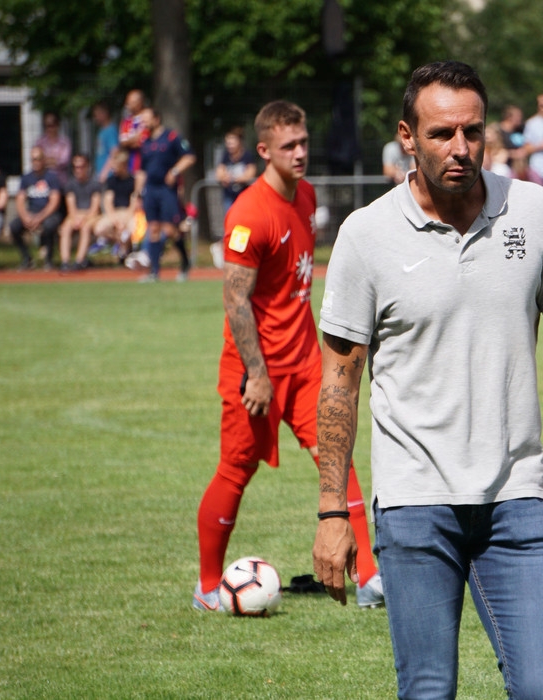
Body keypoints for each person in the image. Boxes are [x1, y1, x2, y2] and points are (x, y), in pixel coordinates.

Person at [311, 60, 543, 699]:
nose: (460, 149)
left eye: (472, 132)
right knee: (428, 691)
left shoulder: (533, 212)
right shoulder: (366, 236)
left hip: (517, 500)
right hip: (414, 502)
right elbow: (340, 381)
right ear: (407, 136)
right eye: (442, 133)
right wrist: (331, 510)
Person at [194, 100, 384, 613]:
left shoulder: (306, 196)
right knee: (235, 471)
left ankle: (369, 575)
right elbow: (235, 299)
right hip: (255, 371)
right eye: (288, 147)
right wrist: (256, 372)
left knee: (336, 457)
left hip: (304, 366)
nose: (300, 153)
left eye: (303, 143)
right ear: (263, 151)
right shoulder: (248, 214)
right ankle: (209, 586)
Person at [135, 108, 195, 282]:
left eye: (147, 120)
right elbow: (141, 171)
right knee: (152, 228)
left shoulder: (171, 137)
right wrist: (137, 193)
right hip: (151, 189)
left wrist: (175, 171)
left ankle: (185, 262)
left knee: (170, 230)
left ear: (157, 119)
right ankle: (154, 271)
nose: (144, 124)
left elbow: (189, 157)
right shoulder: (144, 142)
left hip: (166, 189)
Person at [8, 146, 63, 271]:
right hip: (31, 212)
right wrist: (25, 216)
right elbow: (20, 200)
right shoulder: (26, 178)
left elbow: (54, 202)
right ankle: (27, 258)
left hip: (48, 213)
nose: (36, 162)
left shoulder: (52, 177)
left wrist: (40, 217)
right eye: (33, 160)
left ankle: (49, 260)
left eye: (38, 159)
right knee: (14, 226)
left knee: (50, 225)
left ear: (43, 160)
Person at [58, 154, 102, 272]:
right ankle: (65, 262)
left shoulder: (95, 184)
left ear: (87, 167)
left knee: (85, 228)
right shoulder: (70, 185)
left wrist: (83, 219)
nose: (79, 170)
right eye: (76, 167)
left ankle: (79, 261)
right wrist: (76, 218)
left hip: (91, 216)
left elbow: (95, 208)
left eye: (81, 166)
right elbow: (71, 207)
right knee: (66, 228)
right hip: (75, 215)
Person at [93, 150, 138, 261]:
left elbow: (134, 201)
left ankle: (127, 250)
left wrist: (126, 219)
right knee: (99, 229)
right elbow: (108, 202)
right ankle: (120, 243)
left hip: (128, 212)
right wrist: (115, 221)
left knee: (133, 229)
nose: (113, 169)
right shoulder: (111, 181)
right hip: (114, 213)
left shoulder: (133, 181)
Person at [216, 126, 257, 213]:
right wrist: (224, 178)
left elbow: (251, 173)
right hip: (229, 195)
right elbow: (219, 172)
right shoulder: (226, 156)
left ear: (239, 142)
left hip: (244, 194)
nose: (229, 145)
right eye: (228, 143)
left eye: (232, 143)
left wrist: (236, 179)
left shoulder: (247, 155)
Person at [35, 111, 72, 186]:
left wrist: (46, 160)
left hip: (61, 181)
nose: (49, 129)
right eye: (46, 126)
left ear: (57, 125)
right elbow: (38, 160)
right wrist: (54, 159)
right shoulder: (40, 142)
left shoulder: (65, 142)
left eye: (51, 125)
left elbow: (64, 161)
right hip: (43, 181)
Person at [119, 89, 149, 174]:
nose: (127, 105)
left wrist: (131, 140)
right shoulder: (127, 121)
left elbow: (144, 141)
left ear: (139, 102)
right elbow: (123, 142)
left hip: (144, 162)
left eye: (131, 102)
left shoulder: (146, 119)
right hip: (130, 163)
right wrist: (135, 138)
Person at [92, 102, 120, 181]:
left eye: (97, 114)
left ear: (105, 113)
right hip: (100, 172)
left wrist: (105, 172)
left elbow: (114, 152)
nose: (96, 117)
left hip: (109, 175)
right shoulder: (101, 131)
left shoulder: (111, 130)